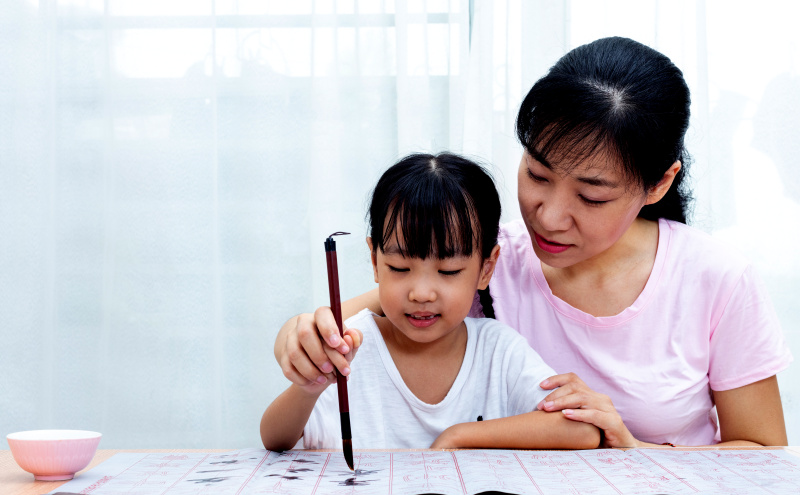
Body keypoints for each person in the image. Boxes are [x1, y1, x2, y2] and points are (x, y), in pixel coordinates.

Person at [273, 37, 792, 448]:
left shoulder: (715, 278)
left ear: (657, 184)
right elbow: (345, 320)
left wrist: (633, 448)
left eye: (591, 196)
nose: (549, 215)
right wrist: (300, 336)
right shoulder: (487, 258)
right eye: (538, 175)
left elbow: (763, 453)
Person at [260, 153, 601, 451]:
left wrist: (459, 436)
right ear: (375, 261)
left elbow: (581, 430)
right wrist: (309, 388)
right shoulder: (351, 344)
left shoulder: (499, 349)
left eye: (449, 270)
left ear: (486, 268)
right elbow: (275, 439)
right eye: (400, 267)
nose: (421, 293)